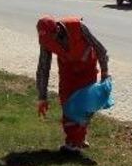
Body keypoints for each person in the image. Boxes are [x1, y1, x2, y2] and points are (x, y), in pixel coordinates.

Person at [36, 16, 109, 153]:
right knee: (68, 104)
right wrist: (42, 97)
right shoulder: (46, 39)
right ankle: (74, 141)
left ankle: (77, 140)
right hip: (67, 70)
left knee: (85, 105)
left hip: (87, 68)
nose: (54, 41)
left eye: (55, 37)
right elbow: (43, 67)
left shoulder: (77, 27)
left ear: (57, 29)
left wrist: (104, 72)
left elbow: (100, 49)